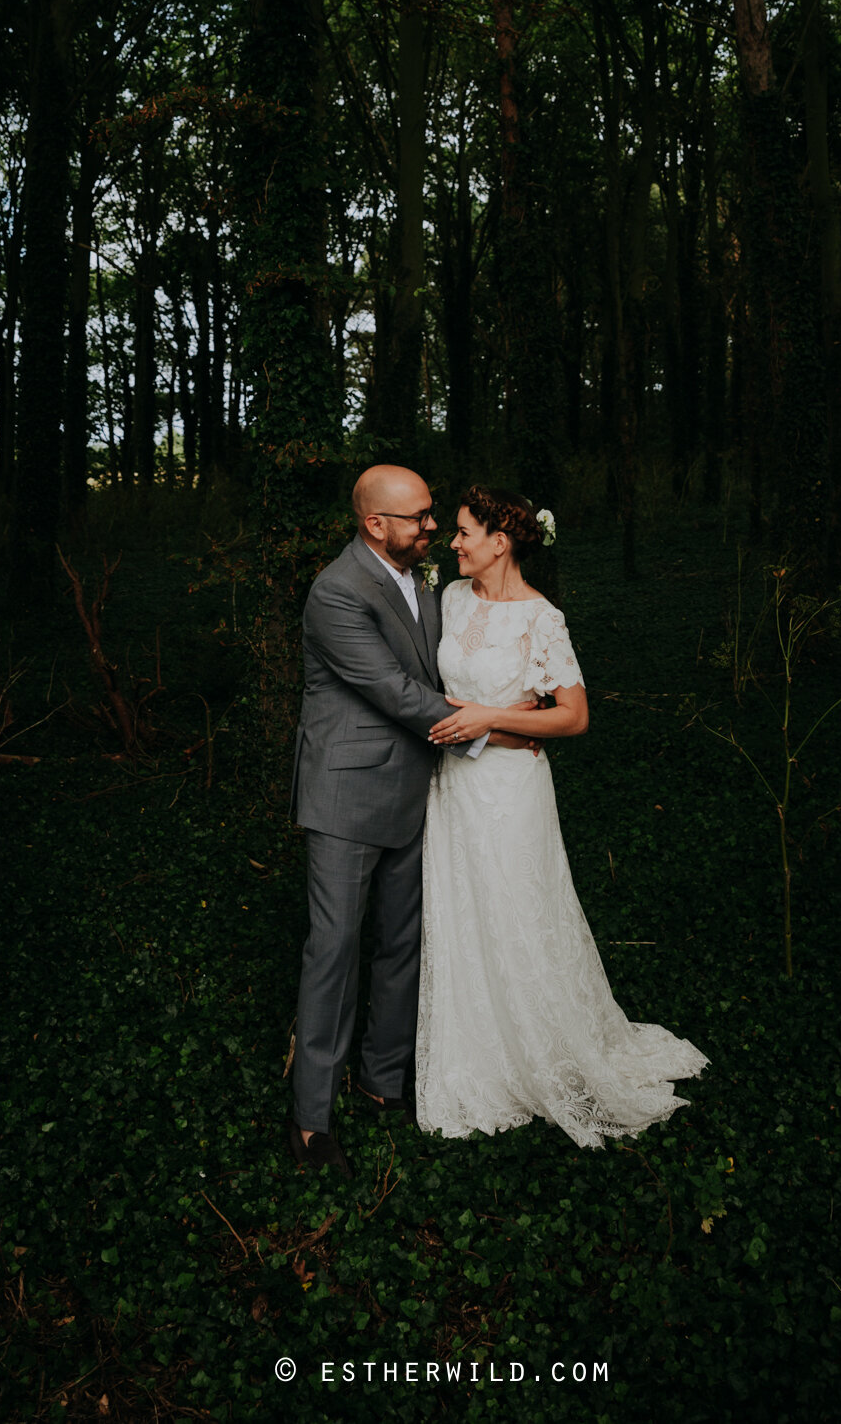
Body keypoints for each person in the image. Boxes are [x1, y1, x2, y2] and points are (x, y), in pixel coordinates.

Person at [418, 485, 707, 1145]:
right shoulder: (452, 599)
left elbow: (573, 715)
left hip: (510, 788)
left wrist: (491, 717)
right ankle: (478, 1055)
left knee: (518, 908)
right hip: (452, 784)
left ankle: (543, 1047)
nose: (453, 542)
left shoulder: (540, 618)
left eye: (464, 532)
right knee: (463, 911)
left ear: (501, 541)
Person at [287, 464, 536, 1174]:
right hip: (347, 796)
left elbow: (444, 671)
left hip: (419, 788)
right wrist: (496, 729)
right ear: (375, 526)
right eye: (419, 517)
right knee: (334, 949)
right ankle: (310, 1121)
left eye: (432, 516)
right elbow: (396, 693)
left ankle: (381, 1078)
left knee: (402, 940)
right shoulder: (336, 592)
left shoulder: (423, 583)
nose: (432, 526)